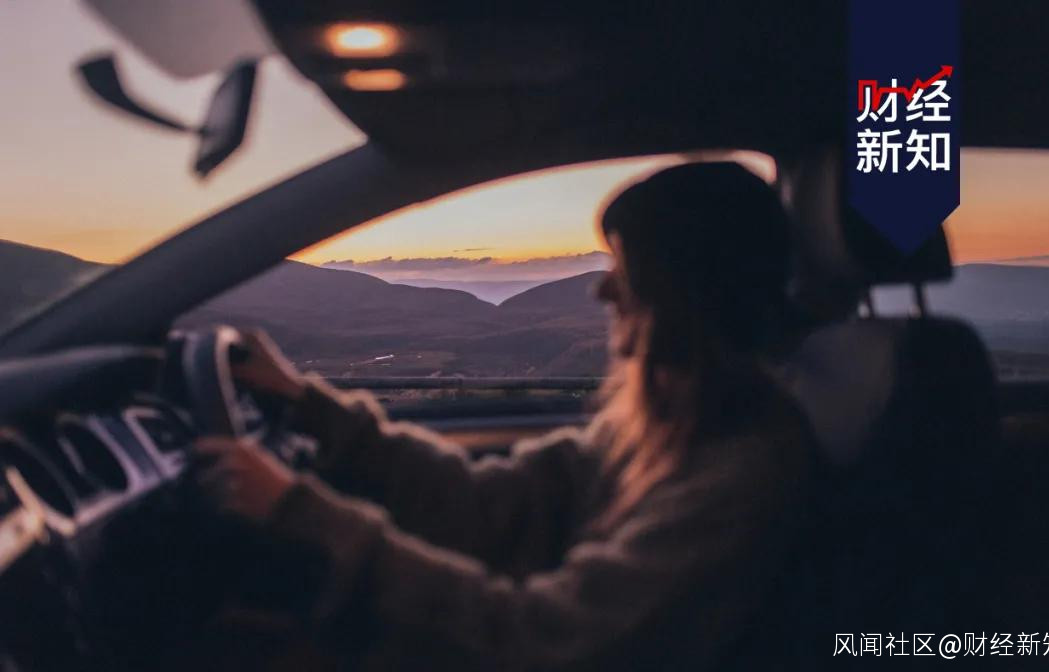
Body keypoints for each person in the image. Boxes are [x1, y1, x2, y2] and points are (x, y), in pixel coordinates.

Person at [192, 161, 815, 671]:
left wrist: (299, 513)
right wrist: (310, 409)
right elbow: (490, 504)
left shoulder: (740, 476)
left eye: (624, 271)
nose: (602, 291)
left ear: (682, 295)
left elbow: (538, 644)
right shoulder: (666, 424)